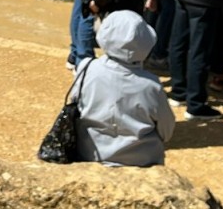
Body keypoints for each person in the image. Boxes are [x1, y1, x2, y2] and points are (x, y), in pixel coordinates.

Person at [74, 10, 176, 167]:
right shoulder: (151, 85)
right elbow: (166, 130)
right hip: (140, 160)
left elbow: (76, 105)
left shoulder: (86, 68)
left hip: (90, 152)